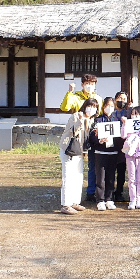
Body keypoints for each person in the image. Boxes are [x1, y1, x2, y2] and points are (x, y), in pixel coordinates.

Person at [59, 74, 103, 203]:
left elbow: (99, 116)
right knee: (69, 174)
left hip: (88, 139)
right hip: (73, 143)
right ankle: (67, 203)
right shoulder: (76, 101)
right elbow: (65, 107)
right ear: (82, 84)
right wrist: (70, 92)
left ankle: (79, 199)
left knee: (82, 172)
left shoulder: (98, 98)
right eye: (87, 83)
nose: (90, 86)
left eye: (93, 84)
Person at [58, 98, 98, 215]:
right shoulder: (76, 116)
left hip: (79, 152)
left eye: (94, 107)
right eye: (90, 106)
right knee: (68, 177)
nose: (92, 109)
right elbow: (73, 131)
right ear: (85, 106)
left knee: (78, 177)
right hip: (69, 150)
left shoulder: (92, 120)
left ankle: (74, 201)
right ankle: (65, 204)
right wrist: (80, 121)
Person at [88, 97, 122, 211]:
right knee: (100, 177)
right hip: (100, 152)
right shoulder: (98, 120)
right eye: (107, 106)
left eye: (112, 106)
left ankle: (109, 198)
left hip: (113, 152)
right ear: (103, 107)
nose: (109, 108)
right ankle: (100, 200)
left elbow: (121, 137)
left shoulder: (117, 120)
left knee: (111, 177)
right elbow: (91, 137)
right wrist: (98, 139)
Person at [121, 106, 140, 210]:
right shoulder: (129, 126)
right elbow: (123, 135)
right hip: (130, 154)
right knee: (131, 178)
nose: (135, 116)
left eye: (137, 114)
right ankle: (132, 199)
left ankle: (139, 199)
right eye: (133, 114)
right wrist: (125, 124)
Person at [113, 91, 131, 202]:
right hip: (111, 144)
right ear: (115, 100)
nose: (122, 101)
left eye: (124, 99)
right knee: (110, 170)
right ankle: (109, 192)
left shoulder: (128, 113)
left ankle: (119, 192)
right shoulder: (111, 112)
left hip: (123, 144)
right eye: (120, 98)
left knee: (121, 170)